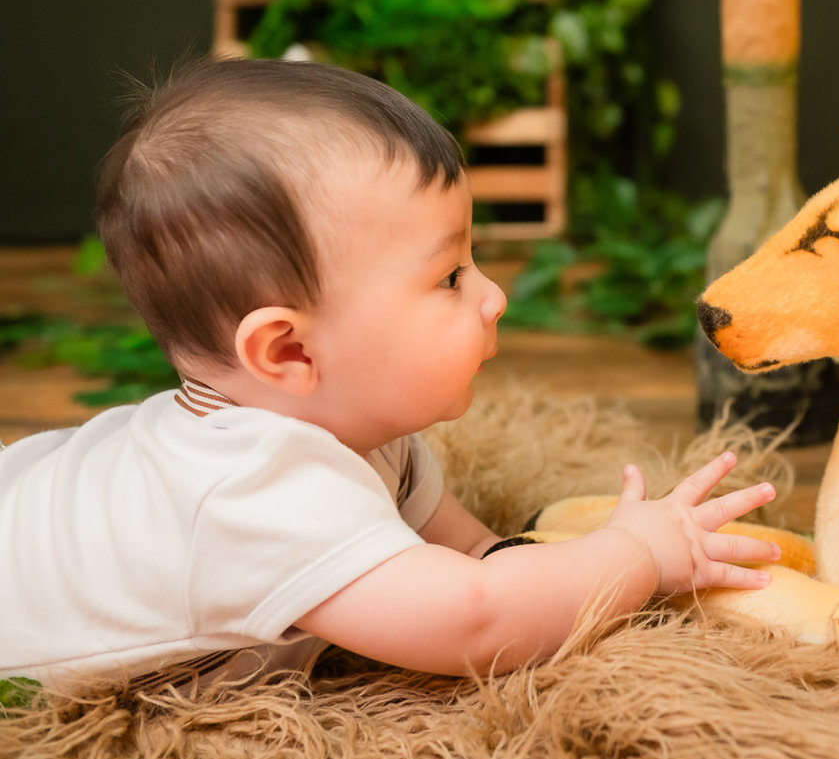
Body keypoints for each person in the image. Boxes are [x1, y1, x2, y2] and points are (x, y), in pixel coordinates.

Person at [0, 58, 780, 691]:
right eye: (450, 277)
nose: (494, 295)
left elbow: (480, 559)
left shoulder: (366, 429)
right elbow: (477, 619)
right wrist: (637, 553)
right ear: (290, 352)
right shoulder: (256, 492)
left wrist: (567, 565)